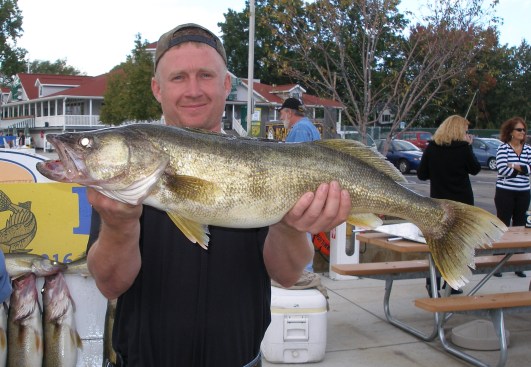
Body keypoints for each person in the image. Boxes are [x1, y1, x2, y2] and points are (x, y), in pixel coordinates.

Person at [86, 23, 351, 367]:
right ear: (157, 88)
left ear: (226, 84)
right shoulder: (127, 174)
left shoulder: (264, 164)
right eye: (178, 77)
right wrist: (119, 227)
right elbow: (110, 286)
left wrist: (289, 225)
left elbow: (286, 276)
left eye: (206, 75)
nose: (193, 90)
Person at [417, 115, 481, 295]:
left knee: (438, 245)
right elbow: (475, 169)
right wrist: (469, 147)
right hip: (463, 204)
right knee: (458, 246)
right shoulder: (463, 149)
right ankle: (452, 283)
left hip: (439, 203)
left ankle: (432, 281)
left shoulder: (432, 148)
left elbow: (422, 174)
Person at [279, 97, 321, 272]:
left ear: (289, 112)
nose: (281, 118)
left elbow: (296, 165)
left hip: (301, 191)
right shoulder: (310, 127)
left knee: (299, 230)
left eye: (282, 114)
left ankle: (302, 272)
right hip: (311, 189)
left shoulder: (300, 130)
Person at [493, 116, 531, 278]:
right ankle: (498, 263)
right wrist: (522, 169)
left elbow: (530, 169)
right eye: (519, 130)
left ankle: (518, 264)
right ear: (510, 132)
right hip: (505, 192)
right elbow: (502, 170)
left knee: (520, 226)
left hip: (523, 192)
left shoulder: (528, 149)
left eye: (524, 130)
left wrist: (514, 166)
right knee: (502, 225)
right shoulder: (503, 149)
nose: (523, 133)